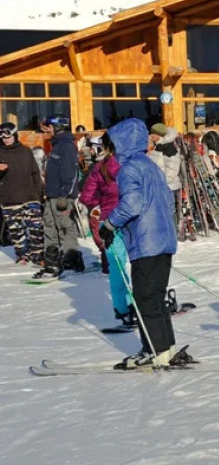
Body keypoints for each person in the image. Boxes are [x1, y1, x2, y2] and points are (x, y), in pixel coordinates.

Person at [100, 118, 190, 369]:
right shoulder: (150, 166)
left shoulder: (129, 169)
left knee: (144, 299)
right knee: (155, 297)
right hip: (163, 239)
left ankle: (154, 351)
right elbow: (168, 202)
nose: (110, 152)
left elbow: (132, 204)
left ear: (121, 145)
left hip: (146, 242)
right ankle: (166, 347)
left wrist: (109, 224)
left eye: (111, 146)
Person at [79, 133, 134, 327]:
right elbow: (86, 196)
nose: (94, 153)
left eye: (96, 149)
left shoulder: (103, 167)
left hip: (115, 220)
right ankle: (129, 306)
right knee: (126, 264)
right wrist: (99, 205)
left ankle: (126, 306)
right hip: (125, 219)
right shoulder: (123, 165)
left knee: (119, 265)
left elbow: (86, 196)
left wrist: (97, 205)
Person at [33, 115, 84, 278]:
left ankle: (71, 262)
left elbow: (70, 174)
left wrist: (65, 195)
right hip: (51, 196)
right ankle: (52, 262)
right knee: (49, 228)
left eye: (49, 126)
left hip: (62, 198)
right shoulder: (55, 145)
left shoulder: (67, 146)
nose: (46, 129)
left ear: (59, 127)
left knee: (65, 229)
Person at [0, 122, 45, 266]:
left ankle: (38, 255)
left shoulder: (26, 151)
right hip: (9, 199)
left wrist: (38, 195)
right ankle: (22, 255)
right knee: (16, 231)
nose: (5, 139)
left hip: (30, 197)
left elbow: (35, 174)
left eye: (7, 136)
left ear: (14, 135)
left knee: (36, 229)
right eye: (2, 137)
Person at [148, 123, 183, 232]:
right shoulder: (158, 146)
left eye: (153, 134)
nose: (151, 136)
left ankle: (172, 233)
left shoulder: (168, 147)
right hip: (160, 185)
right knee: (161, 211)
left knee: (168, 210)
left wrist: (164, 182)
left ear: (160, 134)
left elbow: (173, 168)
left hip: (168, 186)